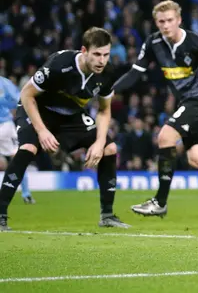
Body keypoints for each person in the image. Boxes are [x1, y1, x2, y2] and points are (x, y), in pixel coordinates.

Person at [112, 1, 198, 218]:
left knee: (165, 137)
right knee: (197, 158)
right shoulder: (153, 43)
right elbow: (136, 72)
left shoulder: (197, 44)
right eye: (161, 21)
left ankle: (160, 202)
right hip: (190, 103)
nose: (165, 25)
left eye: (170, 20)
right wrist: (111, 90)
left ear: (179, 20)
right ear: (156, 22)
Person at [0, 28, 129, 231]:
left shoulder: (107, 73)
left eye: (105, 55)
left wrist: (99, 142)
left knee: (110, 149)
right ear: (84, 50)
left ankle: (107, 215)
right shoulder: (60, 65)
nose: (101, 61)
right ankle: (1, 215)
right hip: (37, 109)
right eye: (96, 54)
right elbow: (26, 95)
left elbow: (104, 111)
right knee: (28, 148)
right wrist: (41, 131)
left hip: (70, 114)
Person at [0, 76, 34, 205]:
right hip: (5, 125)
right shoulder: (4, 83)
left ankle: (26, 193)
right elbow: (18, 100)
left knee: (17, 158)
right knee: (18, 159)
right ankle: (26, 194)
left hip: (5, 126)